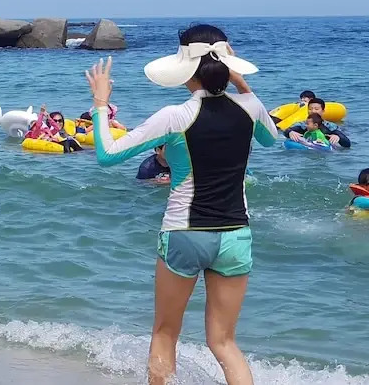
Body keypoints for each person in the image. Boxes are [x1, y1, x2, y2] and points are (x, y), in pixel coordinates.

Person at [85, 24, 277, 385]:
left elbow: (108, 155)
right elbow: (271, 139)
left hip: (184, 233)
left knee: (165, 333)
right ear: (227, 61)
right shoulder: (250, 107)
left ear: (185, 67)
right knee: (224, 342)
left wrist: (100, 103)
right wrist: (240, 83)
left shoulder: (174, 116)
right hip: (236, 235)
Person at [282, 98, 350, 148]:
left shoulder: (330, 126)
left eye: (316, 109)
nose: (313, 111)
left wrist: (338, 136)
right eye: (310, 109)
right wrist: (290, 132)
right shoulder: (303, 125)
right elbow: (286, 130)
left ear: (323, 111)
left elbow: (347, 144)